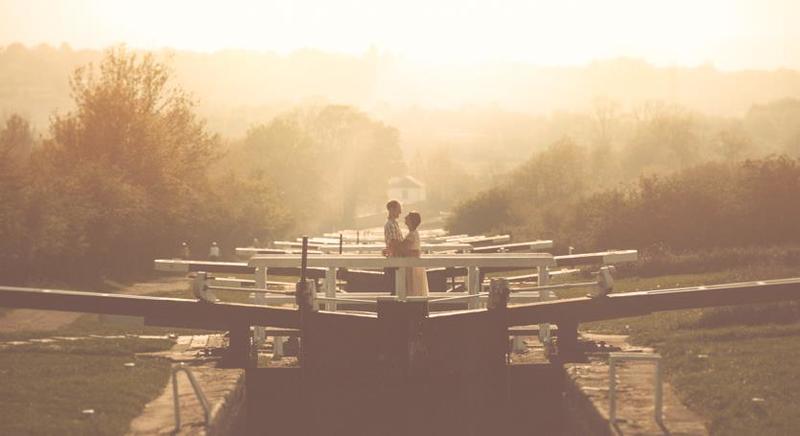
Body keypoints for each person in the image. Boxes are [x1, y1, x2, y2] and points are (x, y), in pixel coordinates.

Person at [398, 211, 429, 296]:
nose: (405, 218)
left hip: (412, 266)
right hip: (413, 264)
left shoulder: (412, 234)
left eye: (407, 217)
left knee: (413, 288)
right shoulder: (413, 233)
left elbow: (402, 248)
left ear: (411, 220)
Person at [383, 200, 404, 293]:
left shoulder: (394, 224)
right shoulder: (390, 225)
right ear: (392, 210)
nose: (400, 212)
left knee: (397, 287)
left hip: (397, 258)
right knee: (395, 287)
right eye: (398, 209)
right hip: (394, 259)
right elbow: (393, 242)